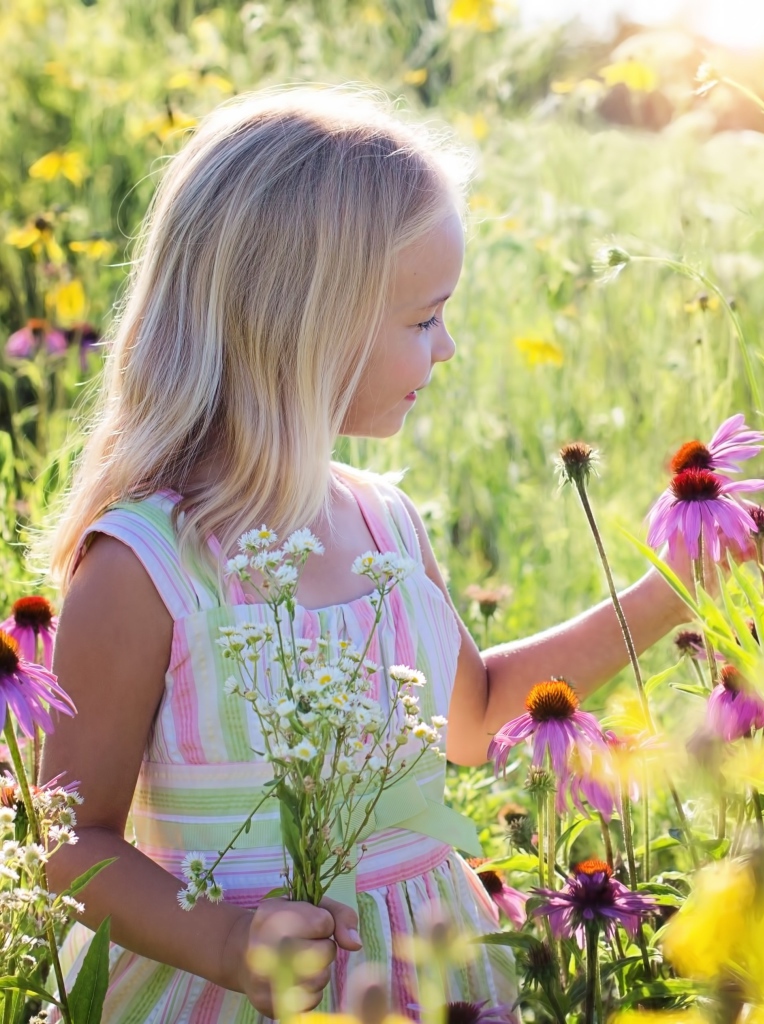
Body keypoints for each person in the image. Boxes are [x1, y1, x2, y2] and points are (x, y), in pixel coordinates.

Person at [35, 85, 695, 1022]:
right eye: (425, 319)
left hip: (432, 975)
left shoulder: (387, 524)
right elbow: (70, 843)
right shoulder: (146, 567)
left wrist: (669, 592)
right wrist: (225, 941)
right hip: (225, 992)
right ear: (304, 330)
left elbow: (473, 720)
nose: (450, 346)